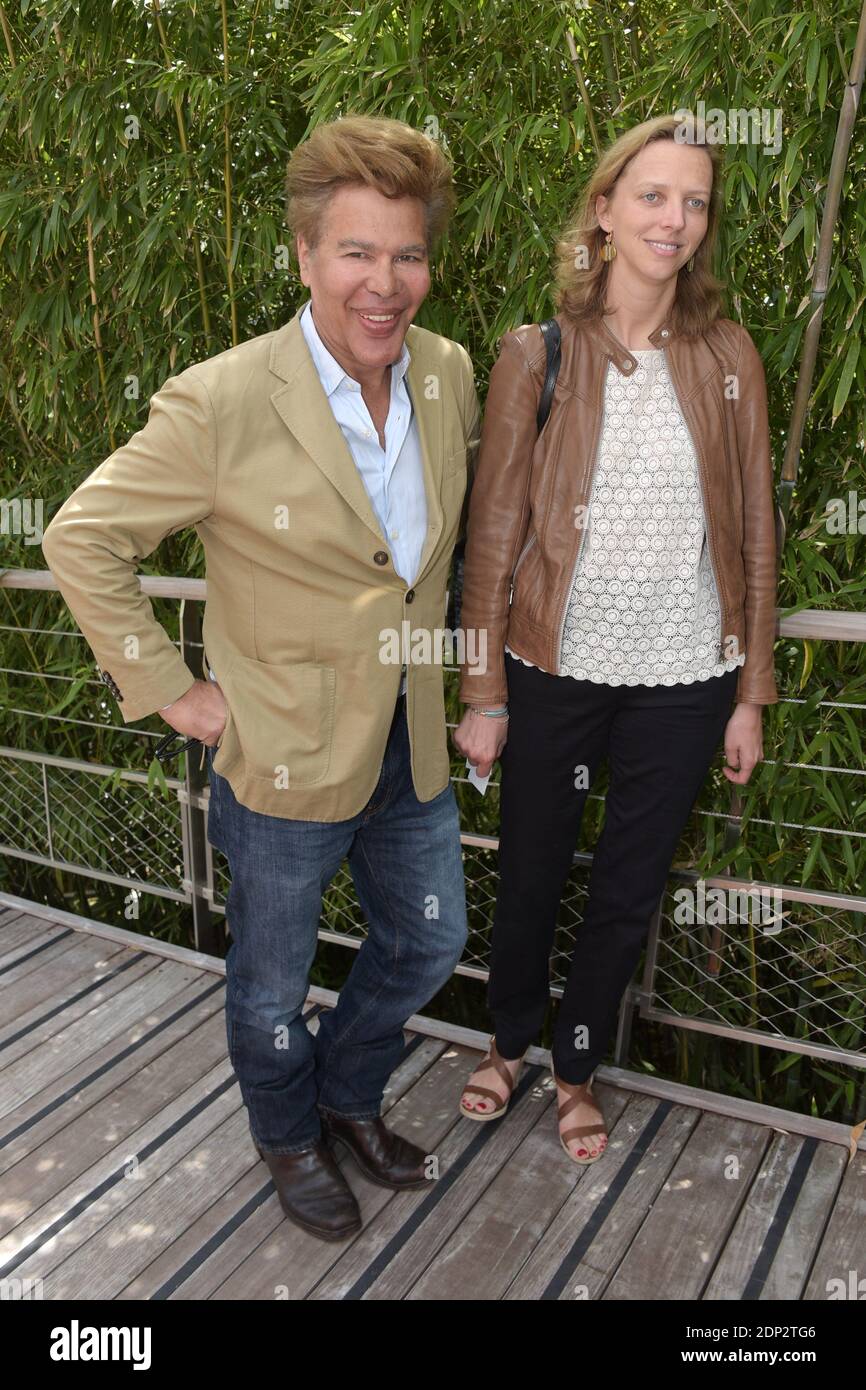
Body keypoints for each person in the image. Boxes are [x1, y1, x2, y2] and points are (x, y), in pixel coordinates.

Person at [40, 114, 481, 1240]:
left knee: (427, 942)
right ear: (302, 257)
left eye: (406, 255)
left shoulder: (446, 374)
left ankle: (341, 1093)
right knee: (268, 985)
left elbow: (431, 562)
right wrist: (174, 691)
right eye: (355, 252)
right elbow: (80, 537)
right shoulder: (222, 399)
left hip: (410, 739)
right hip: (280, 752)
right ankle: (288, 1137)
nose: (384, 284)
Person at [453, 112, 777, 1165]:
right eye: (650, 195)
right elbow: (493, 533)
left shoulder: (728, 355)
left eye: (691, 201)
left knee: (629, 884)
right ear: (602, 208)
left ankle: (576, 1064)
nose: (671, 218)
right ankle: (505, 1042)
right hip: (554, 665)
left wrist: (748, 694)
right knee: (536, 864)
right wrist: (481, 690)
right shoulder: (533, 353)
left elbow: (753, 530)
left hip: (688, 672)